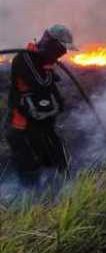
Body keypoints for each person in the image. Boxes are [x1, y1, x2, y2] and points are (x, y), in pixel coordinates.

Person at [4, 24, 77, 186]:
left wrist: (59, 103)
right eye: (63, 48)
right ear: (52, 44)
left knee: (59, 157)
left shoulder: (43, 61)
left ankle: (68, 191)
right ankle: (31, 202)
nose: (64, 53)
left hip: (41, 123)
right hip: (21, 127)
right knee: (30, 167)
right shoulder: (24, 59)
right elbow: (41, 84)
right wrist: (50, 69)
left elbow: (50, 91)